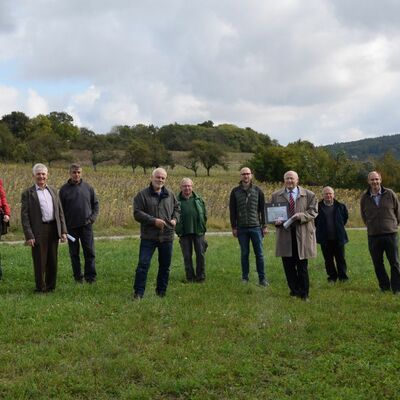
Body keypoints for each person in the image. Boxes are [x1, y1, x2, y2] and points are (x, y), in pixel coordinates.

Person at [132, 168, 180, 299]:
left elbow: (177, 208)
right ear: (151, 178)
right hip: (149, 237)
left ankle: (161, 293)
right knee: (143, 265)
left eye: (163, 178)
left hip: (167, 236)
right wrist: (153, 221)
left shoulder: (170, 194)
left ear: (165, 179)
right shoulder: (142, 195)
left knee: (165, 267)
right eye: (158, 177)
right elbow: (137, 213)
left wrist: (175, 219)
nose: (160, 180)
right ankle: (138, 293)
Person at [271, 171, 317, 301]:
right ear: (284, 180)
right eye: (287, 178)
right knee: (288, 266)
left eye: (292, 178)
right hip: (285, 234)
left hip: (301, 234)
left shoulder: (309, 195)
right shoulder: (276, 195)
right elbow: (272, 214)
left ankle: (304, 294)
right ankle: (294, 291)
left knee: (302, 265)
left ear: (297, 180)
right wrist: (275, 221)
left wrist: (301, 216)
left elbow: (313, 211)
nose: (289, 181)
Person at [21, 163, 67, 292]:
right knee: (40, 260)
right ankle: (40, 287)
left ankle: (51, 286)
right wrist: (29, 235)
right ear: (34, 176)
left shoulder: (53, 190)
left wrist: (63, 230)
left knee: (52, 259)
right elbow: (24, 216)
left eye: (43, 174)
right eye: (38, 174)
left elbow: (60, 212)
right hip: (38, 229)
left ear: (47, 175)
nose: (41, 176)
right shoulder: (28, 193)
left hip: (53, 228)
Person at [360, 171, 400, 294]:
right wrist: (372, 226)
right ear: (368, 182)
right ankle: (384, 287)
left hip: (390, 234)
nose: (374, 182)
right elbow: (363, 216)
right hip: (373, 236)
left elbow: (398, 211)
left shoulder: (390, 193)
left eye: (376, 179)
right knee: (378, 263)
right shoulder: (364, 197)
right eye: (372, 180)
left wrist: (393, 225)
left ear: (380, 180)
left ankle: (397, 288)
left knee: (394, 262)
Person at [59, 164, 99, 283]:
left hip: (86, 226)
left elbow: (95, 205)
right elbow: (60, 210)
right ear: (70, 173)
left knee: (89, 252)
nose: (76, 174)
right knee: (74, 254)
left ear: (81, 173)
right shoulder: (63, 190)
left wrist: (92, 218)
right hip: (71, 228)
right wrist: (63, 228)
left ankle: (90, 277)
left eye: (79, 172)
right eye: (74, 172)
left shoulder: (88, 187)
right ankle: (78, 278)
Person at [229, 167, 268, 286]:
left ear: (251, 175)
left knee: (259, 254)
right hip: (241, 228)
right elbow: (232, 211)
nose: (245, 176)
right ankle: (245, 278)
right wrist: (234, 227)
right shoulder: (235, 191)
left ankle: (262, 279)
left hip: (256, 227)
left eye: (248, 174)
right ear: (240, 176)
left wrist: (264, 225)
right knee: (244, 253)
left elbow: (263, 209)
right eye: (243, 174)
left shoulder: (258, 190)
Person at [176, 178, 207, 282]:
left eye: (189, 186)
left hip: (198, 231)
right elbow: (173, 217)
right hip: (184, 232)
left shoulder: (198, 199)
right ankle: (190, 277)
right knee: (187, 256)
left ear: (192, 187)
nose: (187, 188)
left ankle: (200, 277)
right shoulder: (176, 201)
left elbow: (204, 215)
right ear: (181, 187)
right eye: (184, 186)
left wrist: (203, 226)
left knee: (200, 255)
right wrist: (177, 229)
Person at [315, 186, 349, 283]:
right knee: (328, 259)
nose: (328, 195)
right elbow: (315, 221)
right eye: (326, 194)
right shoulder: (317, 207)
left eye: (330, 193)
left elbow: (345, 218)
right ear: (323, 195)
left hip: (339, 237)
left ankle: (343, 277)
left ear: (333, 195)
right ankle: (332, 277)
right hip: (325, 238)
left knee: (341, 258)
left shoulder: (341, 206)